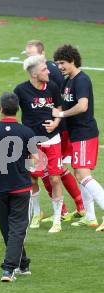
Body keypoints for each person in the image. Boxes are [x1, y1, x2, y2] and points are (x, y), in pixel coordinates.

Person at [24, 40, 85, 226]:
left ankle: (75, 207)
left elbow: (61, 103)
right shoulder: (44, 73)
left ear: (42, 54)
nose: (30, 58)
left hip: (58, 129)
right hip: (50, 129)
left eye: (33, 55)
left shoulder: (52, 75)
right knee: (49, 170)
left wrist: (57, 122)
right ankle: (74, 208)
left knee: (54, 170)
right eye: (28, 55)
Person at [0, 92, 37, 282]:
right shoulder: (27, 132)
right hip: (21, 187)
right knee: (17, 229)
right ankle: (9, 269)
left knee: (8, 229)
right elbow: (34, 161)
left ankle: (22, 264)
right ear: (18, 110)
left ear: (0, 108)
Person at [53, 45, 104, 231]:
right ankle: (90, 217)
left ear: (72, 60)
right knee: (79, 174)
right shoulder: (68, 81)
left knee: (83, 175)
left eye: (62, 63)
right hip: (75, 134)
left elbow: (83, 106)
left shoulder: (82, 80)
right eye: (58, 63)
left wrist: (62, 115)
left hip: (84, 133)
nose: (60, 66)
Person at [14, 55, 64, 233]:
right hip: (32, 143)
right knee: (32, 177)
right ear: (34, 74)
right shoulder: (20, 90)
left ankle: (57, 219)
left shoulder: (52, 86)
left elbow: (58, 108)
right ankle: (37, 212)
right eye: (44, 69)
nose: (49, 71)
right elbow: (12, 111)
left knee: (55, 178)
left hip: (53, 140)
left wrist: (56, 123)